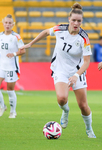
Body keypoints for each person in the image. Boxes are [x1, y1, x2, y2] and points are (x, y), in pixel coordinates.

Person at [20, 3, 96, 138]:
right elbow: (45, 32)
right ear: (69, 19)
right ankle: (65, 111)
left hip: (77, 72)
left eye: (79, 21)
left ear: (81, 21)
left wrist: (76, 75)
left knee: (83, 105)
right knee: (62, 98)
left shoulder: (84, 38)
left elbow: (86, 62)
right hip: (60, 69)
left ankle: (89, 129)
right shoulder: (60, 29)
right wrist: (31, 44)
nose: (76, 23)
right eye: (73, 20)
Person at [0, 14, 26, 118]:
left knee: (10, 90)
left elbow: (22, 50)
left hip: (11, 67)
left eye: (10, 23)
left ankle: (13, 111)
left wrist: (14, 54)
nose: (7, 25)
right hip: (1, 65)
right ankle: (2, 106)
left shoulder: (16, 37)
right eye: (6, 22)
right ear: (3, 23)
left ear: (13, 24)